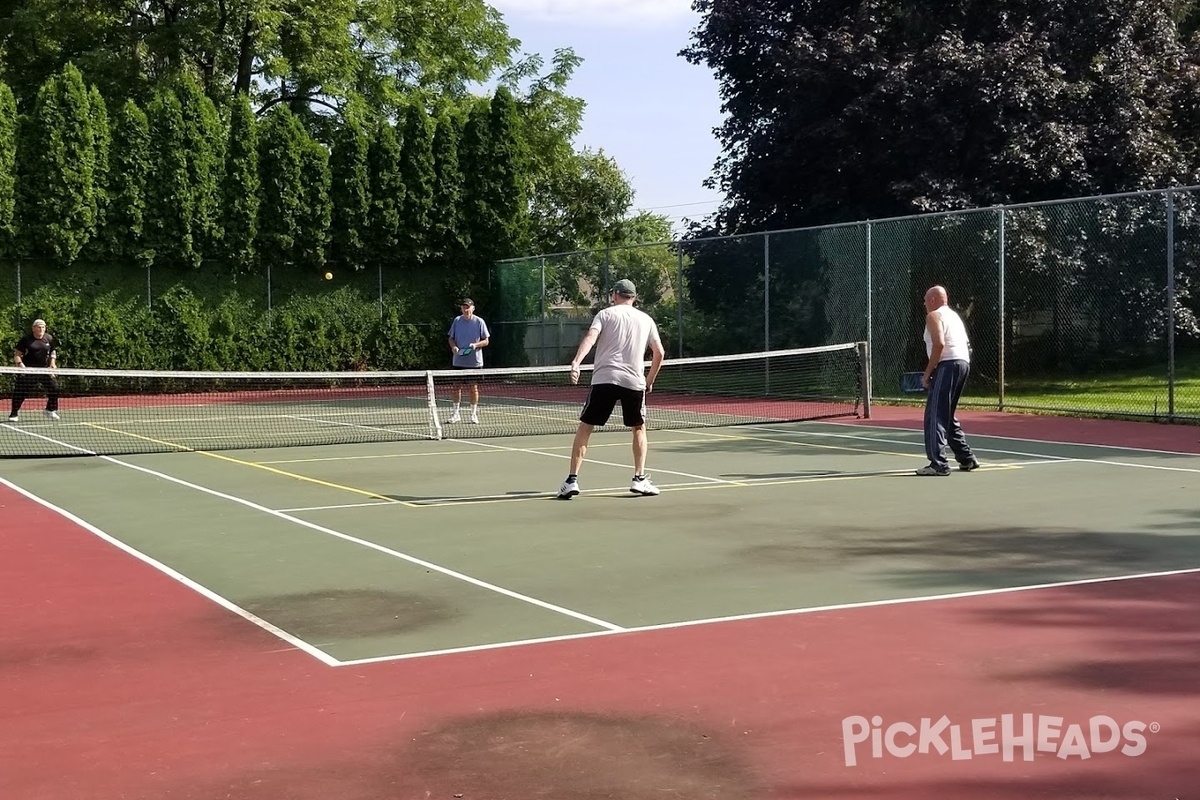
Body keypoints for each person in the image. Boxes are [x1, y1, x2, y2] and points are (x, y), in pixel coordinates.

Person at [558, 279, 666, 499]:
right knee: (638, 428)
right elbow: (660, 353)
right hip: (634, 382)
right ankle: (638, 478)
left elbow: (591, 337)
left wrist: (577, 362)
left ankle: (572, 480)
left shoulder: (605, 315)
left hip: (604, 378)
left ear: (616, 295)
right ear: (633, 297)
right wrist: (649, 379)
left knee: (586, 427)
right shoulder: (646, 319)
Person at [917, 286, 978, 475]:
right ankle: (966, 458)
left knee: (935, 415)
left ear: (934, 300)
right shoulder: (954, 316)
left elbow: (940, 343)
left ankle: (938, 464)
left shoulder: (934, 316)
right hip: (962, 363)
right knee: (947, 414)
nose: (925, 304)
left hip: (948, 365)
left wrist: (928, 373)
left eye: (926, 300)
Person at [446, 298, 490, 424]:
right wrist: (453, 347)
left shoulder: (479, 322)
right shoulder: (457, 321)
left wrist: (475, 345)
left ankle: (473, 414)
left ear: (473, 308)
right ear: (461, 309)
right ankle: (455, 414)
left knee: (473, 388)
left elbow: (486, 341)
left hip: (474, 362)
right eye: (464, 307)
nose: (466, 310)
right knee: (456, 388)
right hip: (458, 361)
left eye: (468, 307)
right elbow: (451, 338)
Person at [9, 318, 60, 422]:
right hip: (29, 370)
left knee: (55, 388)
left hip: (44, 370)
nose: (41, 329)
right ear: (33, 329)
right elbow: (17, 355)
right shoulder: (26, 339)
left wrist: (52, 363)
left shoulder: (49, 338)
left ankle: (50, 409)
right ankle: (14, 413)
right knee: (20, 392)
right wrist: (20, 365)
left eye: (43, 327)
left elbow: (53, 351)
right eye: (39, 327)